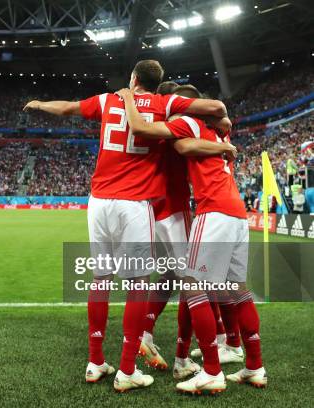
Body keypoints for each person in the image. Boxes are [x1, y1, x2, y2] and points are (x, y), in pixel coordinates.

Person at [23, 60, 230, 391]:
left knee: (101, 278)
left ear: (133, 79)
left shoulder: (109, 100)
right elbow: (216, 107)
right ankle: (127, 369)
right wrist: (214, 120)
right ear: (159, 82)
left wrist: (38, 104)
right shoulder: (166, 104)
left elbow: (66, 109)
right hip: (135, 202)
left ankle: (95, 362)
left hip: (98, 201)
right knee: (140, 283)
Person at [118, 85, 266, 394]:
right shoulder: (220, 133)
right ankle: (254, 366)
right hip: (238, 215)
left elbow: (170, 141)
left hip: (213, 212)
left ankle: (211, 370)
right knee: (237, 290)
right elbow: (220, 124)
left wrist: (130, 99)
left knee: (192, 285)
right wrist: (224, 146)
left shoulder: (188, 122)